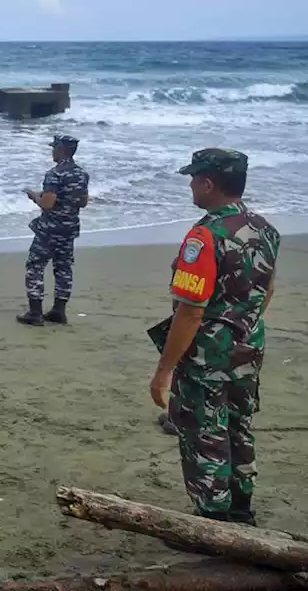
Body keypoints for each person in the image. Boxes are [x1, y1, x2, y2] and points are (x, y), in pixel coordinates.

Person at [150, 149, 278, 525]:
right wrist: (240, 324)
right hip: (248, 345)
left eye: (193, 178)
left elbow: (191, 310)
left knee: (204, 432)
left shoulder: (204, 237)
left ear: (208, 184)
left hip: (208, 354)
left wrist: (164, 370)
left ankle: (215, 518)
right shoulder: (264, 228)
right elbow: (267, 289)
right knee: (239, 426)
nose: (190, 184)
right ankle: (241, 507)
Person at [18, 134, 90, 326]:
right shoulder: (82, 174)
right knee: (63, 268)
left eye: (54, 148)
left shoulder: (54, 174)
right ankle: (59, 310)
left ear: (61, 150)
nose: (52, 151)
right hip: (69, 229)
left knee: (35, 266)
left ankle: (35, 313)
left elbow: (47, 204)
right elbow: (82, 202)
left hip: (49, 230)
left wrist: (34, 196)